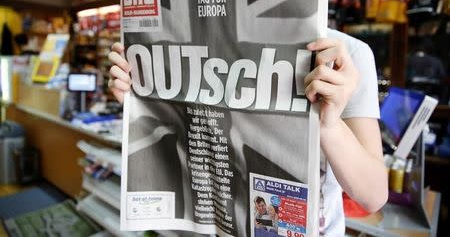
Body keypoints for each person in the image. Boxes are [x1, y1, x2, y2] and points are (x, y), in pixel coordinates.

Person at [108, 29, 388, 235]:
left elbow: (373, 195)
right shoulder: (191, 45)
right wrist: (140, 99)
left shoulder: (346, 55)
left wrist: (329, 124)